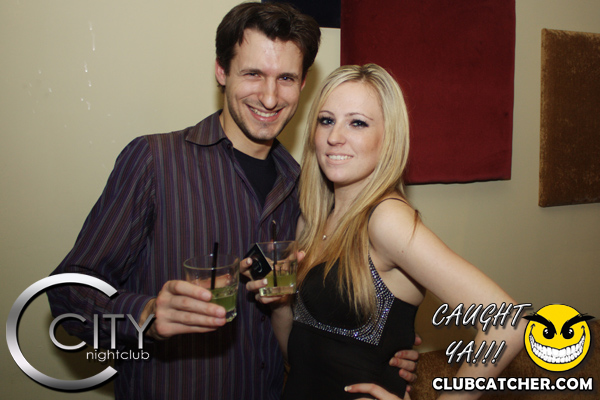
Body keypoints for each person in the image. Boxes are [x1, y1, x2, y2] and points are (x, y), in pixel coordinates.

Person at [47, 3, 418, 400]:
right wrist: (146, 314)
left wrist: (379, 349)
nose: (270, 97)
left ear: (303, 84)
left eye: (286, 78)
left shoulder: (309, 189)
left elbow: (318, 314)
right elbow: (68, 293)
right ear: (222, 72)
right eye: (253, 74)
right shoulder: (155, 162)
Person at [248, 64, 525, 399]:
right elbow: (300, 358)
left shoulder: (386, 219)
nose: (335, 137)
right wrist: (280, 305)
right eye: (326, 120)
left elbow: (508, 324)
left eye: (357, 123)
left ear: (388, 138)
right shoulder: (311, 221)